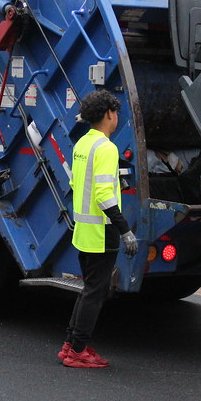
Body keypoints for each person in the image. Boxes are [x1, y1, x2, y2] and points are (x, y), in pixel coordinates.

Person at [58, 89, 138, 368]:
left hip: (84, 229)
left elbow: (77, 184)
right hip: (103, 231)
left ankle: (71, 344)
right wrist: (125, 230)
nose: (116, 117)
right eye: (115, 112)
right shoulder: (106, 148)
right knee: (96, 291)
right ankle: (77, 351)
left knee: (89, 288)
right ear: (108, 114)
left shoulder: (82, 144)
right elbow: (103, 195)